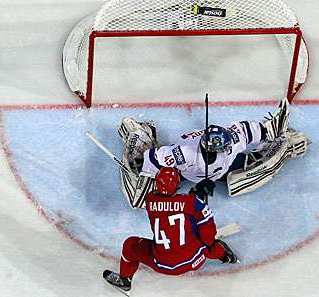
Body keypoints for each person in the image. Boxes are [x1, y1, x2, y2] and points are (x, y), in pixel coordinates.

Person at [119, 98, 308, 208]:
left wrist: (272, 130)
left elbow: (253, 131)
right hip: (187, 173)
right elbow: (152, 159)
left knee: (250, 168)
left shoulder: (233, 138)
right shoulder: (185, 154)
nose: (228, 148)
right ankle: (140, 133)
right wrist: (146, 179)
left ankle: (287, 146)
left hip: (223, 170)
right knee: (160, 188)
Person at [103, 167, 238, 294]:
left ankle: (125, 279)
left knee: (130, 245)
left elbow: (171, 203)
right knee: (202, 238)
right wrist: (197, 194)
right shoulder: (192, 203)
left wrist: (193, 195)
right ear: (178, 184)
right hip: (195, 260)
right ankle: (225, 255)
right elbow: (207, 235)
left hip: (162, 264)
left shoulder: (151, 200)